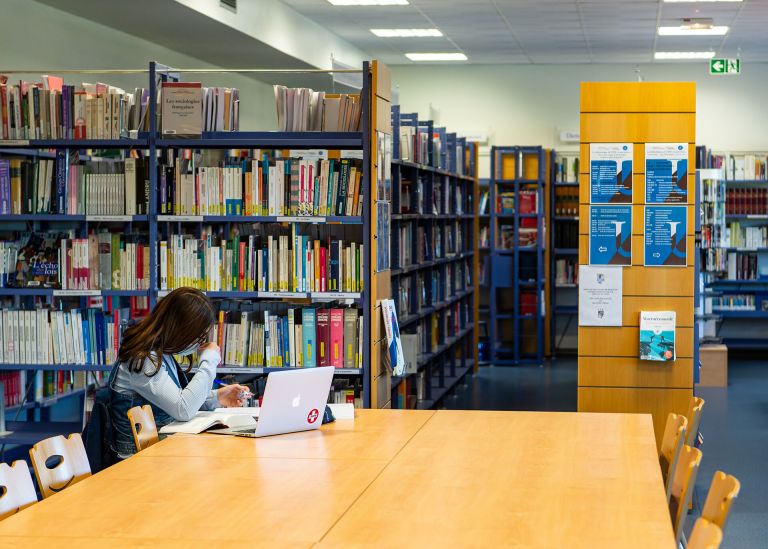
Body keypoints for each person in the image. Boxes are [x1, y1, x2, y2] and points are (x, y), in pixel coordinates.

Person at [108, 287, 248, 458]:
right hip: (136, 459)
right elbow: (183, 409)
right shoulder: (143, 359)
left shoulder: (159, 352)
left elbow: (177, 400)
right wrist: (209, 360)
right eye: (197, 337)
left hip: (161, 447)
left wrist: (218, 396)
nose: (199, 344)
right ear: (180, 329)